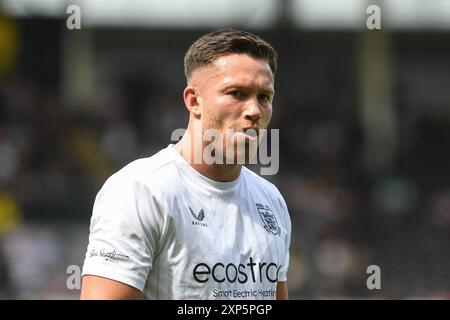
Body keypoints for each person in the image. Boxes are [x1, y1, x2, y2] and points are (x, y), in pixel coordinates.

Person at [80, 29, 291, 300]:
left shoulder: (271, 200)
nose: (254, 110)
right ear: (194, 101)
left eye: (264, 97)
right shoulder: (140, 190)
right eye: (237, 93)